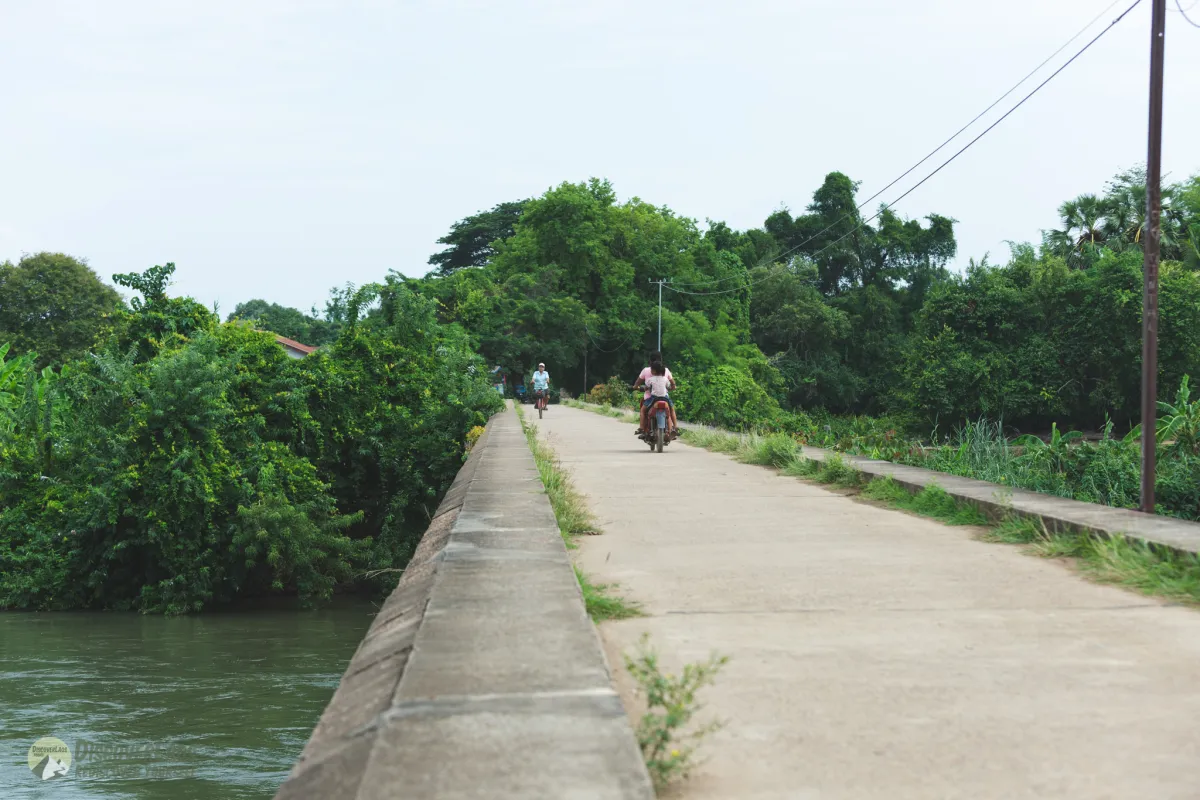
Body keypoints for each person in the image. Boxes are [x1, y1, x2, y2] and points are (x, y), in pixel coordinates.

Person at [632, 352, 678, 435]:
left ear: (650, 361)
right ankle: (674, 428)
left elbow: (642, 386)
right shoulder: (666, 373)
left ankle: (641, 428)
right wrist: (672, 387)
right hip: (665, 397)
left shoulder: (647, 373)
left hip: (652, 398)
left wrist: (638, 387)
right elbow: (671, 385)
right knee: (671, 411)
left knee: (643, 410)